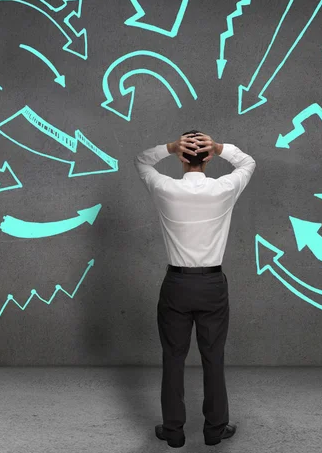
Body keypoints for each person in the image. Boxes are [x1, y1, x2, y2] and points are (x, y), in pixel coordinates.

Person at [133, 130, 256, 447]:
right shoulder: (224, 188)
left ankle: (173, 432)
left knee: (173, 358)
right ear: (209, 156)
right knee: (213, 357)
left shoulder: (165, 188)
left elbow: (141, 160)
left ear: (181, 156)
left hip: (176, 283)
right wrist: (221, 146)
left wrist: (168, 147)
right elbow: (247, 162)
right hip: (212, 284)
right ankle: (215, 430)